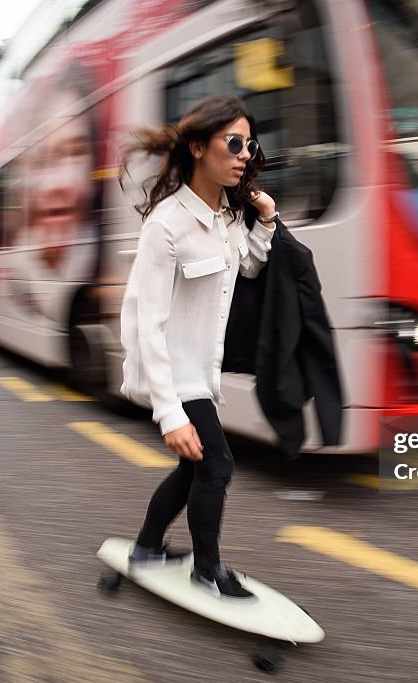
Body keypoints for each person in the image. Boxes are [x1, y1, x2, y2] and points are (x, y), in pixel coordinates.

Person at [119, 96, 278, 600]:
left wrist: (266, 221)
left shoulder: (228, 219)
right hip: (172, 374)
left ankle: (146, 547)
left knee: (195, 468)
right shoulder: (165, 225)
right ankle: (207, 570)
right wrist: (169, 413)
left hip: (199, 372)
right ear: (196, 147)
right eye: (233, 143)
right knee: (217, 464)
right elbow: (149, 322)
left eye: (249, 145)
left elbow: (246, 269)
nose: (244, 154)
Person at [9, 62, 102, 322]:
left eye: (73, 153)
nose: (54, 184)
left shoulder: (102, 263)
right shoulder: (17, 268)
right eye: (39, 160)